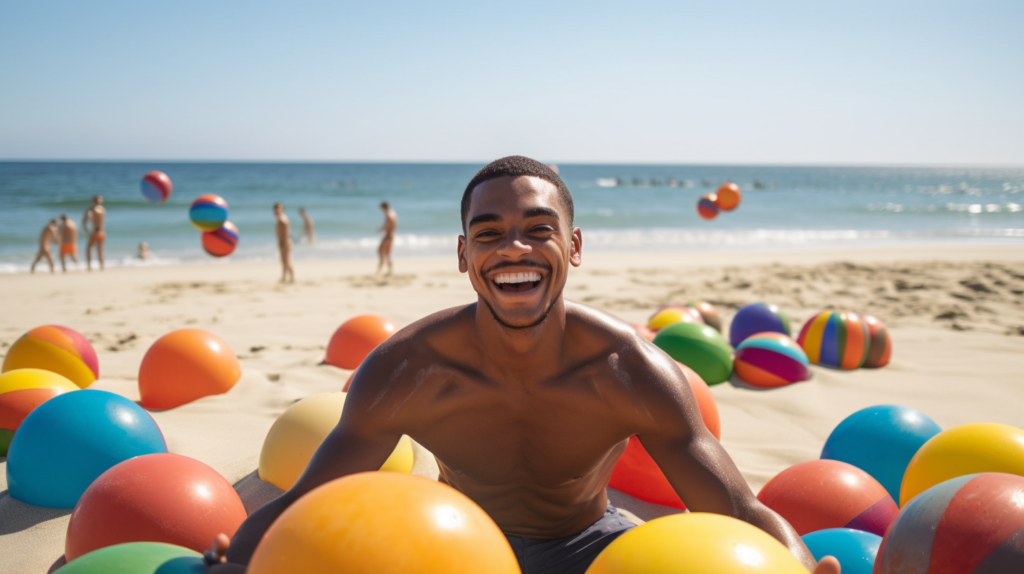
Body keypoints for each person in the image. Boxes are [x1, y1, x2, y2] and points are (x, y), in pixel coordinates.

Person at [206, 157, 839, 574]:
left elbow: (736, 511)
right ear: (463, 254)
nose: (514, 248)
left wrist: (798, 563)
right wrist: (236, 556)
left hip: (589, 550)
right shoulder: (406, 370)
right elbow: (310, 498)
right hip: (452, 547)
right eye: (488, 233)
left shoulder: (629, 371)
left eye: (538, 229)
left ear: (574, 245)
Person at [82, 195, 106, 271]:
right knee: (100, 250)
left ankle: (89, 266)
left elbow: (86, 218)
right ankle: (101, 266)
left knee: (89, 249)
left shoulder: (92, 209)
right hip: (102, 231)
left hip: (95, 231)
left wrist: (85, 228)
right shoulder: (102, 209)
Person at [274, 203, 294, 283]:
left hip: (285, 242)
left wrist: (283, 242)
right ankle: (287, 277)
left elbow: (285, 232)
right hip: (284, 242)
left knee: (285, 261)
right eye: (276, 209)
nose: (277, 210)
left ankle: (286, 278)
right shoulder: (281, 218)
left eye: (279, 209)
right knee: (285, 261)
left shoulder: (282, 218)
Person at [376, 201, 397, 276]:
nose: (382, 211)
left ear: (384, 208)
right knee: (387, 254)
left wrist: (381, 229)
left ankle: (380, 268)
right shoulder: (393, 213)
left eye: (382, 209)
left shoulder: (389, 215)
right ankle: (390, 270)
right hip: (391, 235)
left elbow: (388, 224)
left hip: (388, 235)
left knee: (380, 250)